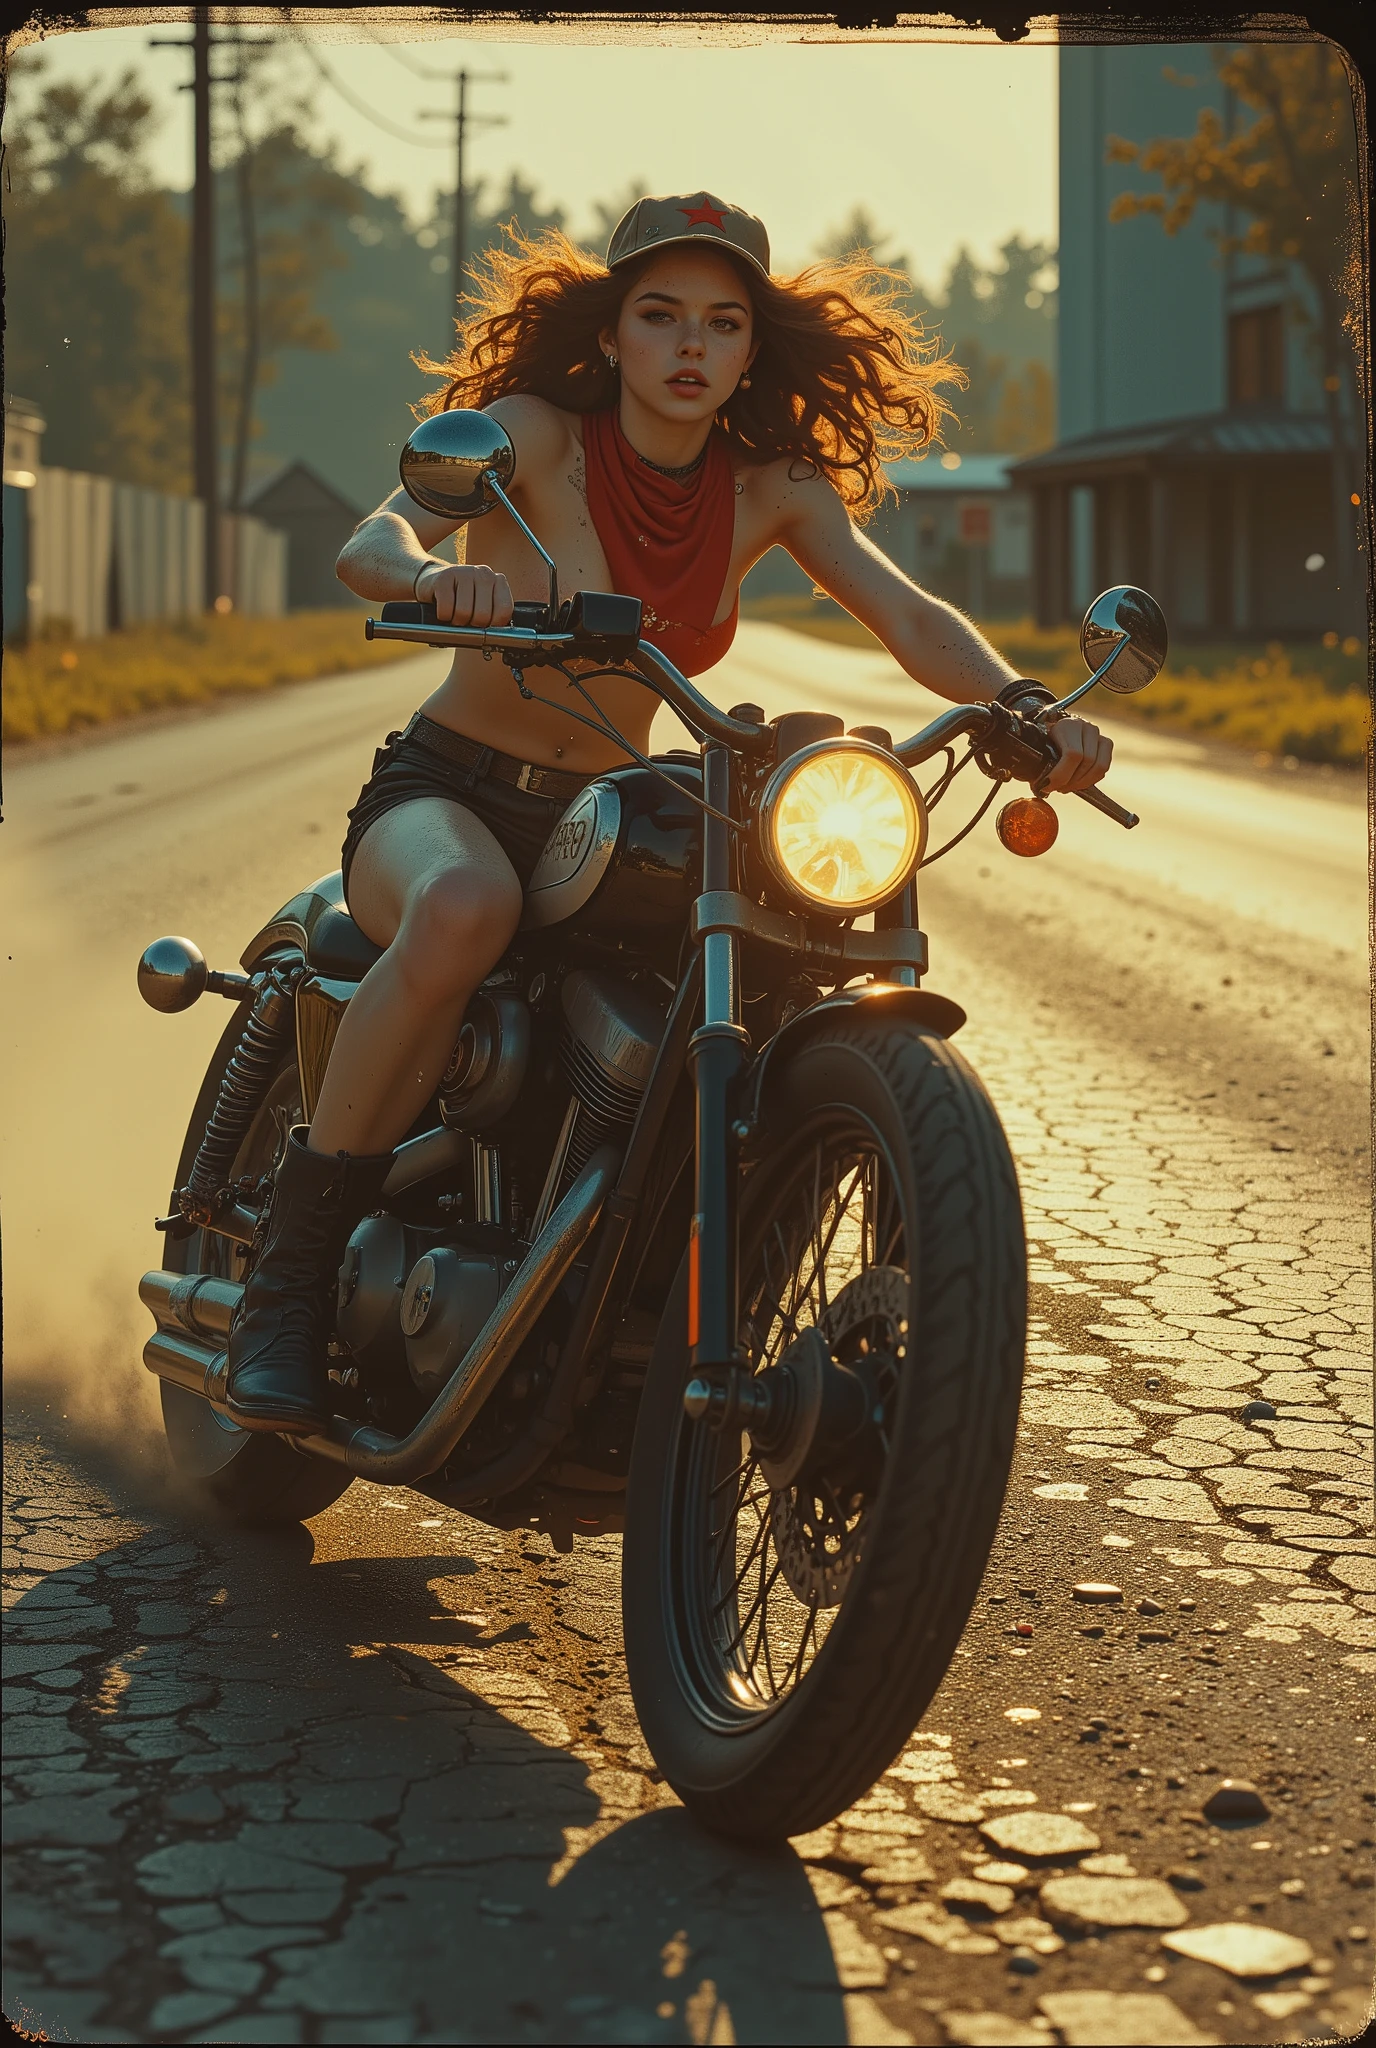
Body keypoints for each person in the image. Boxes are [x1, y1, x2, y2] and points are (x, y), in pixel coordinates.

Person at [224, 191, 1114, 1434]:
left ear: (752, 346)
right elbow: (372, 539)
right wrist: (439, 575)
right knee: (465, 905)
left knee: (765, 967)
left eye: (721, 321)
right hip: (452, 792)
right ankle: (288, 1282)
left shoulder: (773, 488)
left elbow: (904, 612)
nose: (690, 345)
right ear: (615, 332)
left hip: (608, 809)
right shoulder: (526, 436)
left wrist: (1017, 704)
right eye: (659, 315)